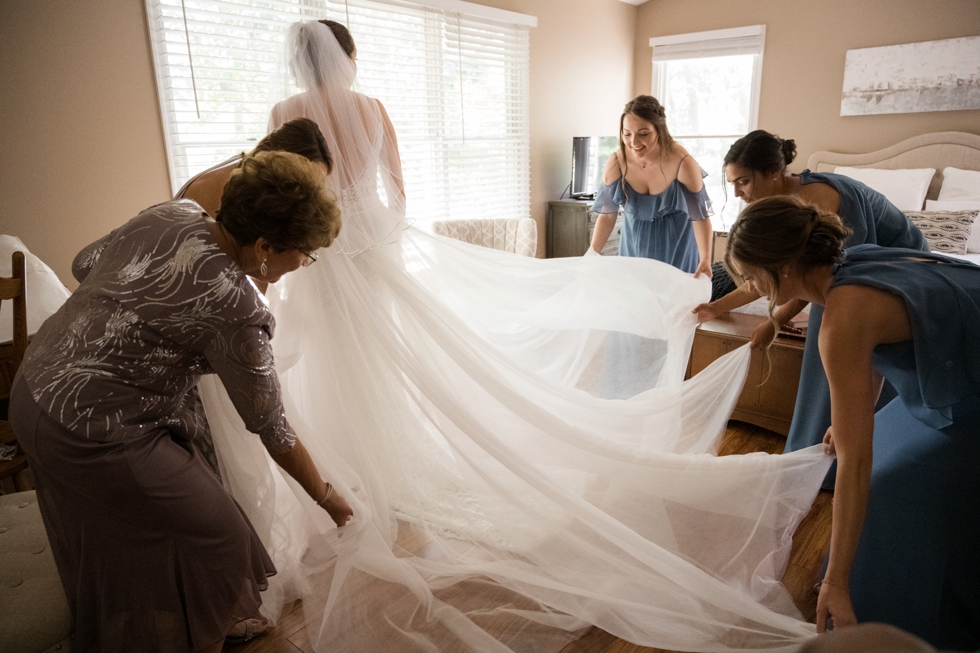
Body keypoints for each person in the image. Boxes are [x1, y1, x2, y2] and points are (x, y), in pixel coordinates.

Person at [202, 19, 838, 653]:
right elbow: (395, 191)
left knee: (323, 368)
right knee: (375, 364)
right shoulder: (370, 110)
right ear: (350, 59)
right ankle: (372, 474)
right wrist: (372, 238)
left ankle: (338, 475)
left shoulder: (285, 110)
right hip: (364, 254)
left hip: (313, 255)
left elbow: (279, 187)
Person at [9, 151, 353, 653]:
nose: (305, 262)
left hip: (33, 386)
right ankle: (191, 637)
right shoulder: (237, 308)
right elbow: (271, 427)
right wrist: (327, 498)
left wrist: (139, 312)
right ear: (265, 246)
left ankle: (174, 622)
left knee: (145, 528)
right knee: (224, 539)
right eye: (306, 251)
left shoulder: (175, 213)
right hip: (86, 426)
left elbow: (84, 263)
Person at [725, 195, 980, 650]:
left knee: (887, 487)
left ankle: (907, 615)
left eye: (749, 275)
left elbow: (855, 462)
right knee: (872, 455)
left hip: (969, 383)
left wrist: (835, 581)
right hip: (953, 366)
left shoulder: (841, 319)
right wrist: (854, 412)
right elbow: (886, 343)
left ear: (782, 268)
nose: (748, 284)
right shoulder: (849, 262)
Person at [693, 130, 927, 486]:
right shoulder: (779, 211)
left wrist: (775, 321)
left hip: (896, 269)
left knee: (839, 339)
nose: (738, 193)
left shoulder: (820, 197)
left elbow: (812, 277)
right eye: (733, 183)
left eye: (743, 182)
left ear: (773, 171)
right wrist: (714, 308)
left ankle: (857, 458)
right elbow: (772, 275)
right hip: (837, 277)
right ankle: (813, 455)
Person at [588, 95, 713, 278]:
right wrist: (593, 252)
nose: (634, 142)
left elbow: (700, 218)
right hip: (633, 253)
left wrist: (705, 259)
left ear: (659, 130)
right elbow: (607, 215)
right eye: (627, 134)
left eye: (643, 134)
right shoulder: (616, 162)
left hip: (676, 253)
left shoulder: (683, 163)